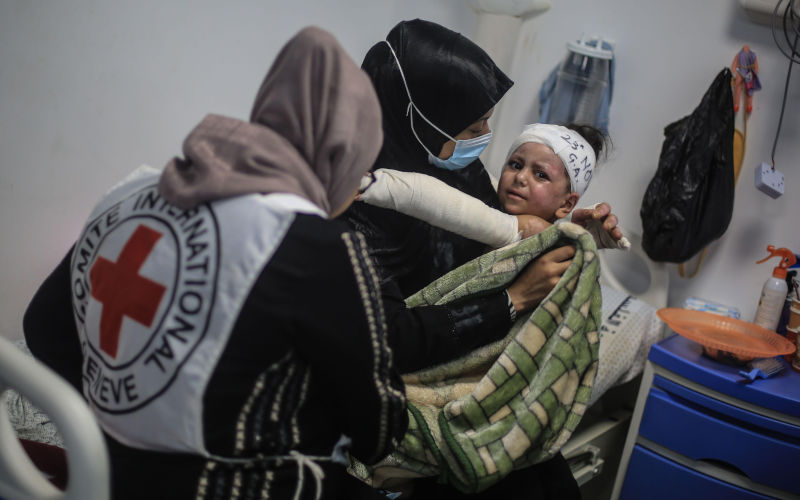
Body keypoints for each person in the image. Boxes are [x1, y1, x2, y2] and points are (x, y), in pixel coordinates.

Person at [23, 26, 407, 500]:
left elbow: (42, 328)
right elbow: (379, 432)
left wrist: (126, 414)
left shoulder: (135, 190)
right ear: (338, 158)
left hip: (101, 471)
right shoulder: (318, 245)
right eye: (359, 172)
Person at [343, 18, 620, 500]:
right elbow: (387, 339)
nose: (485, 138)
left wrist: (568, 236)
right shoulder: (354, 205)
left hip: (469, 352)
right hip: (397, 386)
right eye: (473, 127)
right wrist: (513, 299)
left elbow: (498, 239)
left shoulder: (457, 167)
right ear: (420, 117)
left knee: (550, 479)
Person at [357, 122, 629, 252]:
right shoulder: (491, 193)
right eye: (515, 164)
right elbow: (449, 195)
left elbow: (442, 203)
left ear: (567, 204)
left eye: (540, 175)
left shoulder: (537, 235)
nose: (521, 177)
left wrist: (374, 185)